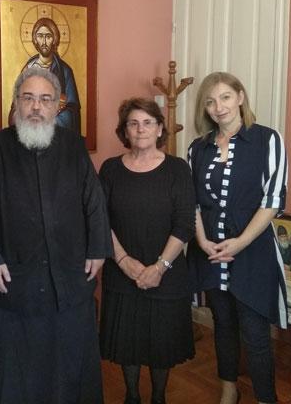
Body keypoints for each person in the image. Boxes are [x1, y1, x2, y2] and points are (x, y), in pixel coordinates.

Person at [0, 67, 111, 404]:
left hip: (69, 273)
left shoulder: (74, 147)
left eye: (45, 99)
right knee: (20, 370)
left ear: (57, 106)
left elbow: (94, 201)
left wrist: (97, 249)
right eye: (28, 98)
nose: (36, 106)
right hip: (16, 277)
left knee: (70, 362)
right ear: (16, 103)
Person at [187, 71, 288, 404]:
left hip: (252, 252)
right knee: (223, 325)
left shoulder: (267, 140)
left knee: (255, 333)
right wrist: (202, 241)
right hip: (210, 252)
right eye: (210, 101)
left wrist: (241, 242)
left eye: (226, 97)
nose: (219, 107)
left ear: (240, 97)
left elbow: (273, 200)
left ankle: (266, 398)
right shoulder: (197, 149)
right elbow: (191, 202)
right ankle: (229, 389)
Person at [99, 98, 196, 404]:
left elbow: (185, 223)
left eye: (147, 123)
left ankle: (158, 397)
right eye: (133, 123)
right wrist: (123, 261)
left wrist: (159, 267)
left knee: (161, 344)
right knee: (127, 342)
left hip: (167, 274)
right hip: (121, 273)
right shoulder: (110, 169)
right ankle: (131, 396)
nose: (140, 129)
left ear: (159, 129)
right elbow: (100, 220)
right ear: (124, 130)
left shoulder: (177, 169)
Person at [9, 17, 81, 132]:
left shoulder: (64, 71)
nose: (44, 42)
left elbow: (72, 110)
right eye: (40, 36)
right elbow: (16, 107)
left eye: (48, 36)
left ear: (54, 39)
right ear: (35, 39)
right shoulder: (28, 69)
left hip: (55, 132)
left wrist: (49, 121)